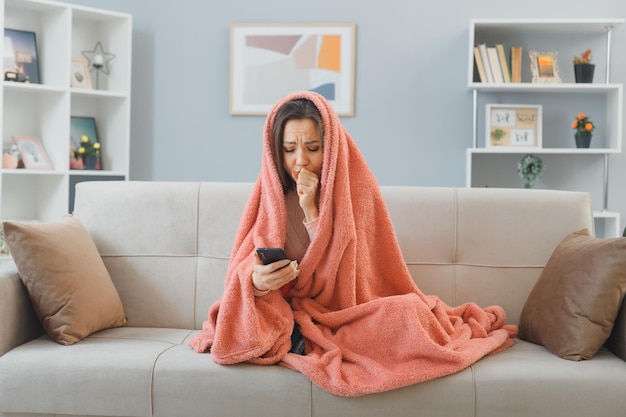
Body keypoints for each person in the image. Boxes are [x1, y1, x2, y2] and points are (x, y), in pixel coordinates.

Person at [189, 90, 517, 397]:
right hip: (289, 307)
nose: (300, 160)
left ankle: (303, 340)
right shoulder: (270, 194)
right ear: (276, 151)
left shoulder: (356, 187)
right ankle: (297, 337)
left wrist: (312, 211)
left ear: (330, 148)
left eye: (313, 148)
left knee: (410, 312)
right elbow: (244, 266)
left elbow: (361, 270)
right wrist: (256, 282)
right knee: (261, 310)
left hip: (346, 310)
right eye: (290, 149)